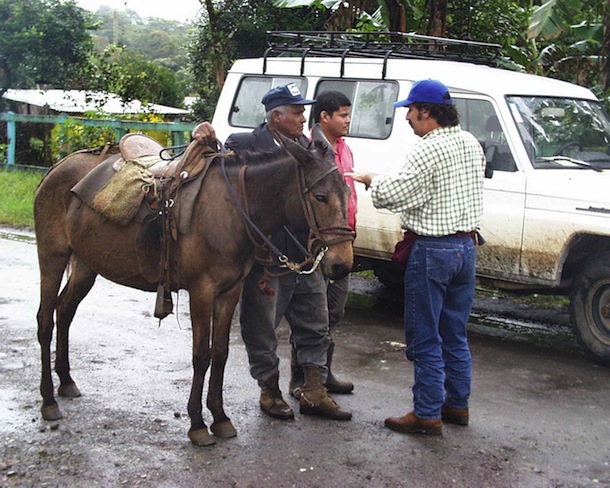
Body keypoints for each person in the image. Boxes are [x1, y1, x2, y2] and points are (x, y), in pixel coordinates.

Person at [347, 79, 485, 435]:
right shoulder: (469, 142)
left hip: (433, 251)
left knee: (424, 335)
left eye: (411, 109)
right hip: (465, 248)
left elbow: (396, 194)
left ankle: (426, 412)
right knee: (454, 332)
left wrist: (370, 179)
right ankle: (457, 405)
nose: (407, 117)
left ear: (426, 112)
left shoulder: (427, 149)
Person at [224, 83, 352, 421]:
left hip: (303, 253)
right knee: (262, 326)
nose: (302, 117)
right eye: (296, 111)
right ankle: (269, 390)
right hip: (265, 258)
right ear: (276, 115)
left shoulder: (309, 148)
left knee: (315, 322)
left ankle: (314, 390)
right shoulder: (243, 145)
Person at [288, 90, 356, 399]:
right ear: (324, 117)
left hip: (342, 240)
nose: (347, 121)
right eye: (342, 115)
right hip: (317, 244)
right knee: (310, 314)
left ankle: (323, 373)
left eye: (348, 114)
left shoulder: (345, 149)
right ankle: (300, 378)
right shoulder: (310, 150)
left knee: (334, 311)